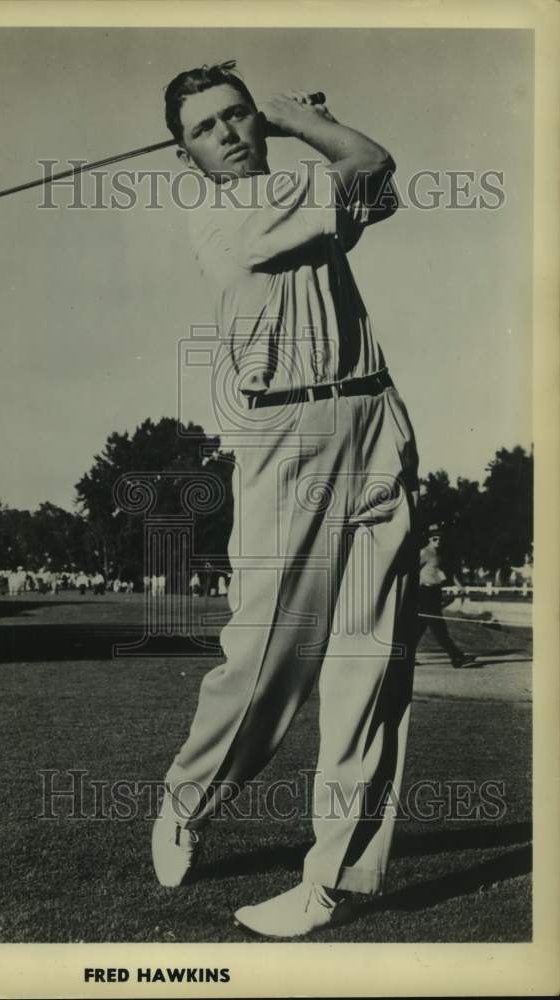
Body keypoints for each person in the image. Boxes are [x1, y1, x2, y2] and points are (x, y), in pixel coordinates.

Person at [151, 61, 419, 939]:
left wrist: (304, 123)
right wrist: (300, 119)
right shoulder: (222, 215)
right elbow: (365, 159)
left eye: (238, 117)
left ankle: (330, 879)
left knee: (367, 660)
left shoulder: (301, 188)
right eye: (207, 127)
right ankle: (187, 802)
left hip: (372, 413)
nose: (230, 133)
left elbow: (376, 175)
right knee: (266, 656)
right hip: (282, 437)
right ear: (184, 152)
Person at [415, 524, 476, 668]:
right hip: (425, 593)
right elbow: (412, 571)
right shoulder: (424, 553)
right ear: (429, 539)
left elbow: (448, 572)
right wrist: (419, 585)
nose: (438, 541)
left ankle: (406, 656)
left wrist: (459, 585)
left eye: (440, 539)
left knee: (420, 627)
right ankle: (457, 657)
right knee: (439, 627)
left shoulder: (439, 554)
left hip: (435, 593)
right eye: (435, 539)